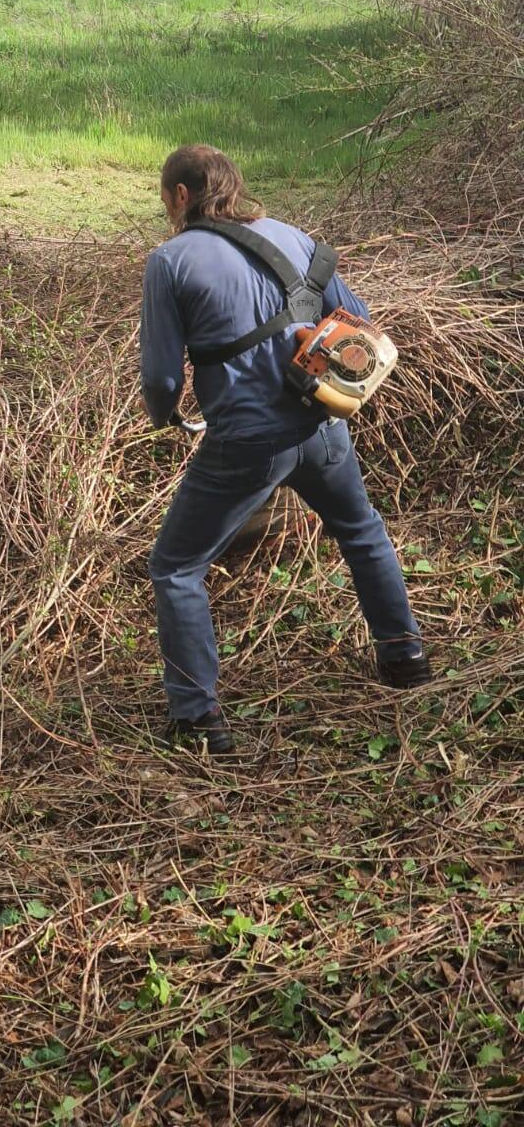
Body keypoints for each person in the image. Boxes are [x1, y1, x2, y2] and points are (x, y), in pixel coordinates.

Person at [140, 145, 430, 756]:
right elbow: (360, 322)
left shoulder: (169, 261)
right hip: (321, 424)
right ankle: (405, 657)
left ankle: (196, 716)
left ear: (182, 196)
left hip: (246, 442)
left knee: (176, 567)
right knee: (361, 530)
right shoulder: (294, 237)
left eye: (167, 198)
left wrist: (165, 419)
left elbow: (163, 380)